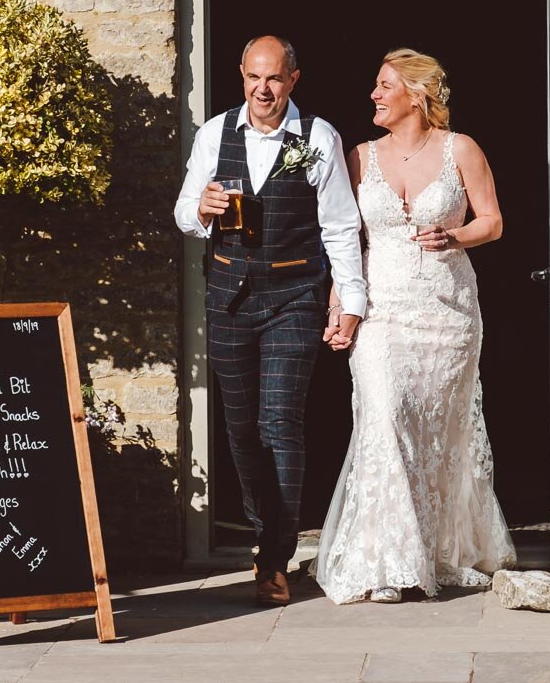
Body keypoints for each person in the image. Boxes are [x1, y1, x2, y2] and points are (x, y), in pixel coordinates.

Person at [314, 48, 515, 604]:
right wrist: (339, 308)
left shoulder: (461, 149)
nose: (374, 96)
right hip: (381, 312)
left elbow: (492, 221)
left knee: (437, 434)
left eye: (384, 85)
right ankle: (386, 561)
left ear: (417, 94)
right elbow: (346, 245)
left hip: (448, 314)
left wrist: (456, 237)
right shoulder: (357, 158)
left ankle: (431, 549)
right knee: (383, 420)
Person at [174, 35, 365, 607]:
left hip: (294, 297)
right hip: (229, 298)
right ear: (241, 77)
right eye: (254, 78)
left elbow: (339, 226)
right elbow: (185, 209)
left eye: (275, 79)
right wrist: (201, 212)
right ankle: (264, 533)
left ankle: (275, 556)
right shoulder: (215, 133)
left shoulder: (318, 138)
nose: (264, 89)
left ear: (293, 80)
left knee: (279, 422)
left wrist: (350, 300)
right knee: (240, 430)